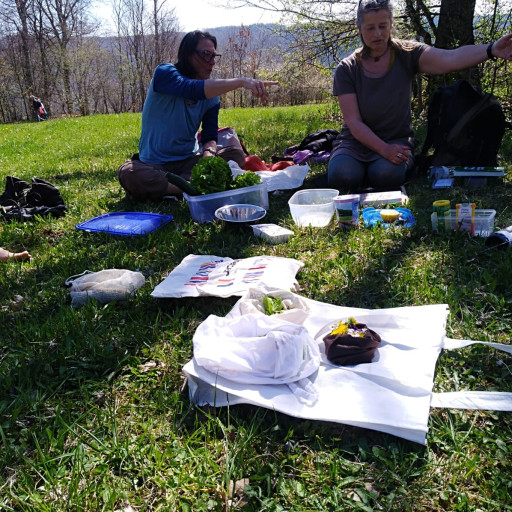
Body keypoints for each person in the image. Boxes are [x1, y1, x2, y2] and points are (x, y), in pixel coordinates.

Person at [328, 0, 512, 192]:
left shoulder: (407, 54)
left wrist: (491, 50)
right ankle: (355, 166)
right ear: (359, 27)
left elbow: (450, 58)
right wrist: (383, 150)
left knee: (385, 176)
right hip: (355, 143)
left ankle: (374, 170)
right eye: (370, 28)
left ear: (391, 24)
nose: (378, 34)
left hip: (396, 140)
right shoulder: (347, 68)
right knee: (342, 177)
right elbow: (354, 123)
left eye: (383, 26)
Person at [118, 30, 278, 200]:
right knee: (128, 173)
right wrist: (241, 81)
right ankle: (191, 188)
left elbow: (209, 134)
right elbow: (190, 89)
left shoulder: (212, 96)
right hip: (154, 165)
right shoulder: (165, 73)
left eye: (215, 56)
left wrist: (208, 156)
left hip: (189, 162)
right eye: (206, 55)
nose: (212, 62)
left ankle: (177, 187)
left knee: (235, 155)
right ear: (187, 55)